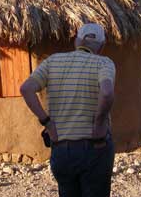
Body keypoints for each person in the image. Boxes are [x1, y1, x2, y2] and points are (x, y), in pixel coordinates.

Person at [20, 23, 116, 197]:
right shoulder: (103, 63)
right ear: (102, 46)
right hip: (95, 147)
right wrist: (99, 122)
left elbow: (26, 89)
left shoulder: (52, 61)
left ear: (76, 41)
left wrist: (47, 122)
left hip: (61, 149)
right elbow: (107, 92)